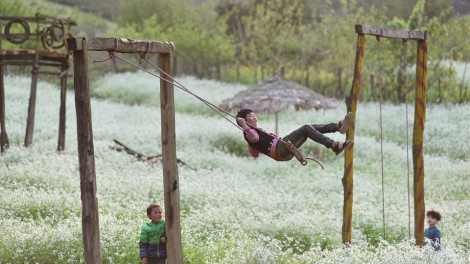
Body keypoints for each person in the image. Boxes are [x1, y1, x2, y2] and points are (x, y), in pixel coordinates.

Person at [235, 108, 354, 161]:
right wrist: (245, 127)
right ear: (244, 121)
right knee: (306, 128)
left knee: (309, 128)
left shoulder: (252, 135)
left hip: (285, 153)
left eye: (254, 115)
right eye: (250, 116)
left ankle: (337, 127)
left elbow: (255, 154)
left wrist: (254, 146)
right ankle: (334, 144)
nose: (254, 117)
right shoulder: (249, 133)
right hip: (280, 150)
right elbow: (254, 138)